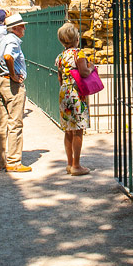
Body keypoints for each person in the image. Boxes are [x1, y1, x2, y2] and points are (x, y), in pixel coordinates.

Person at [0, 13, 31, 173]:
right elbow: (8, 56)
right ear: (15, 28)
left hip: (1, 81)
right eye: (22, 26)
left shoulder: (3, 39)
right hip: (12, 84)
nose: (24, 28)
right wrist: (12, 74)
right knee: (15, 123)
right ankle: (13, 161)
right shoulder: (13, 41)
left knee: (2, 123)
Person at [55, 22, 93, 176]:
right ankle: (77, 165)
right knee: (78, 130)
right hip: (77, 93)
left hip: (64, 92)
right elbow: (84, 72)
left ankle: (69, 163)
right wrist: (91, 67)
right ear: (76, 38)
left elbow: (59, 77)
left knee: (68, 130)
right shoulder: (79, 54)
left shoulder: (60, 56)